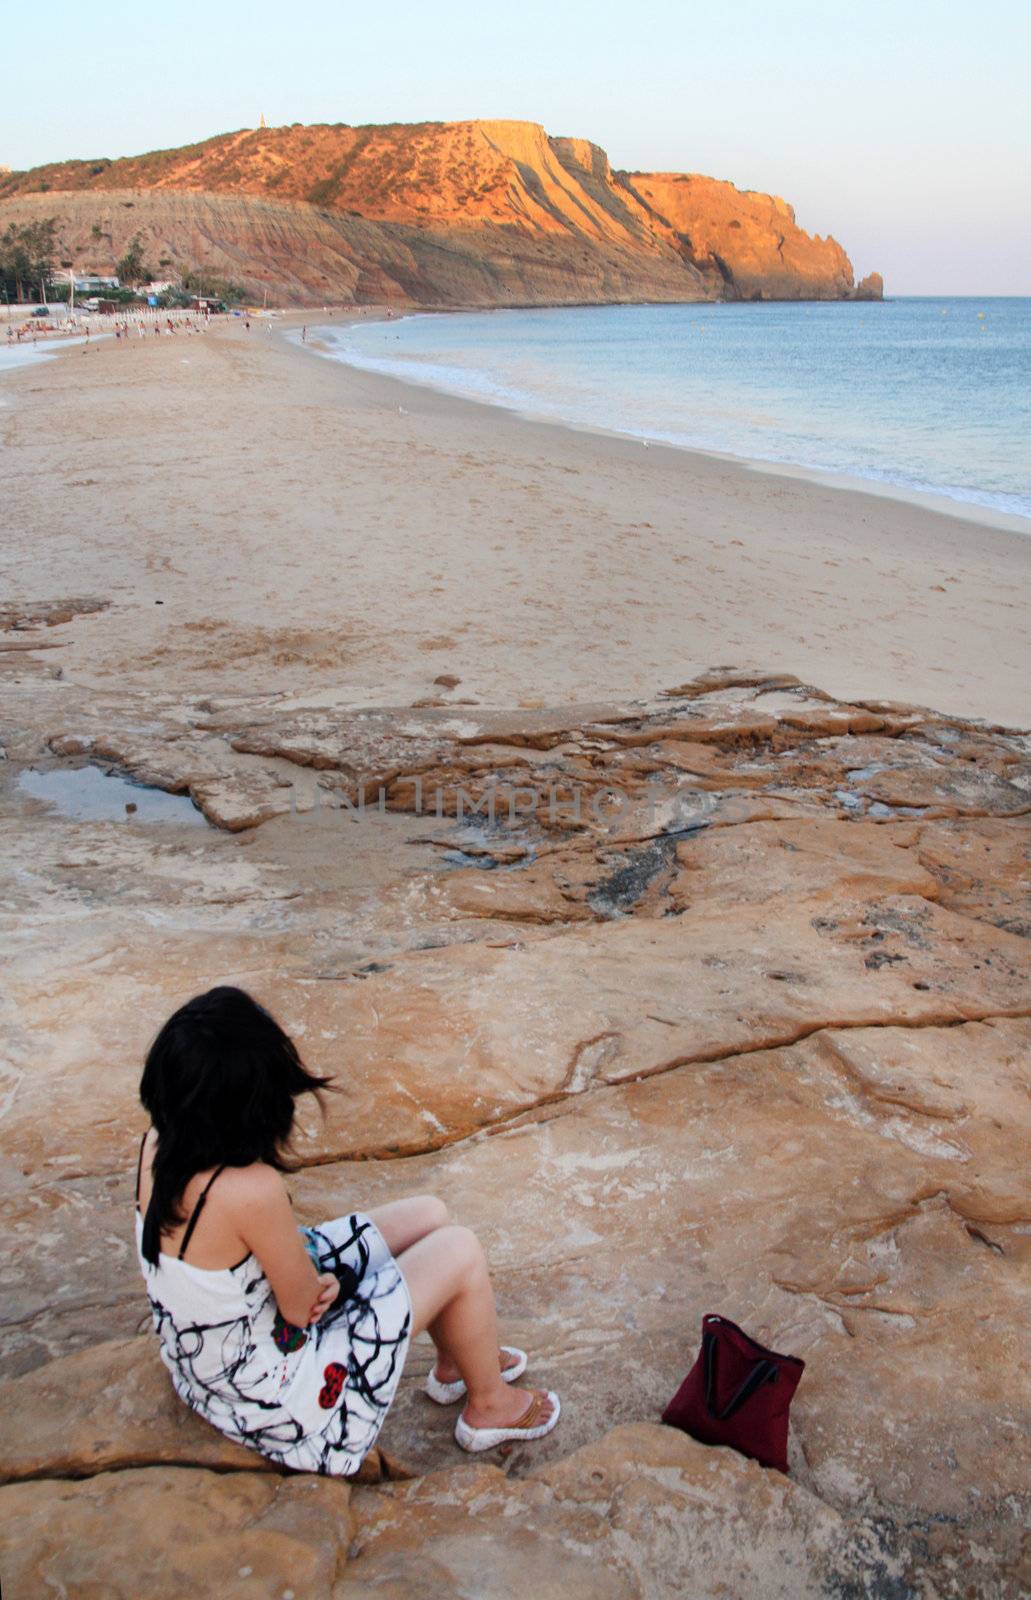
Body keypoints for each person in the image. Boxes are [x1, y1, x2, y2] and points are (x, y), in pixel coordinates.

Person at [135, 986, 558, 1477]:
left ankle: (454, 1365)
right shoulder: (251, 1190)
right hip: (280, 1402)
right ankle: (490, 1406)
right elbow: (298, 1310)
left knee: (430, 1213)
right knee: (459, 1248)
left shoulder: (155, 1144)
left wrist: (318, 1281)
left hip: (208, 1371)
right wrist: (325, 1287)